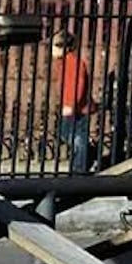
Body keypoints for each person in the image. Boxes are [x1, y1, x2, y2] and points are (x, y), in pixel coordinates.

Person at [51, 30, 93, 173]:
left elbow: (77, 85)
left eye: (55, 46)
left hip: (77, 109)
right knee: (66, 134)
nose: (52, 50)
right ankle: (86, 157)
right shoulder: (62, 63)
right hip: (70, 107)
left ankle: (79, 167)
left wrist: (70, 104)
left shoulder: (74, 63)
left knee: (77, 138)